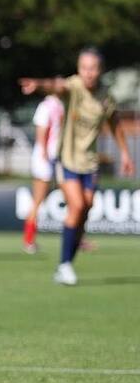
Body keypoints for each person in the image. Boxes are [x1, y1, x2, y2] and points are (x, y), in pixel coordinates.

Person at [20, 47, 135, 285]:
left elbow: (114, 124)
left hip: (89, 163)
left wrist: (125, 154)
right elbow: (57, 86)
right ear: (79, 69)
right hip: (68, 160)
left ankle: (66, 265)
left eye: (92, 68)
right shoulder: (74, 86)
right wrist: (39, 85)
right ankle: (64, 265)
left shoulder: (105, 96)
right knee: (77, 205)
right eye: (84, 68)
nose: (88, 73)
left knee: (86, 208)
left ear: (100, 70)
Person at [23, 94, 65, 254]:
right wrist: (45, 153)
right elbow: (42, 130)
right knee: (38, 200)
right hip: (45, 158)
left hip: (56, 157)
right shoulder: (46, 106)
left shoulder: (60, 105)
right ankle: (28, 240)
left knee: (72, 198)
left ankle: (78, 238)